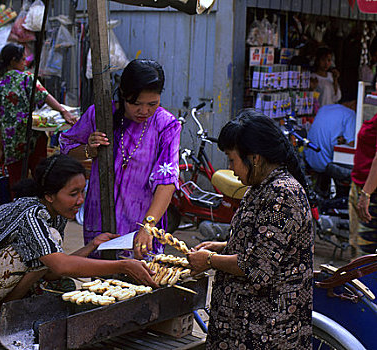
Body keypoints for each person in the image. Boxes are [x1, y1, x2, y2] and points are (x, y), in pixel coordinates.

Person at [0, 154, 158, 327]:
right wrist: (124, 265)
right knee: (45, 257)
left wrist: (93, 246)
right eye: (73, 194)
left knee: (55, 274)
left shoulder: (54, 212)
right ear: (49, 195)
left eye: (82, 192)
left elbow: (53, 270)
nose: (80, 200)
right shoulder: (31, 215)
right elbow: (60, 265)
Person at [187, 110, 313, 349]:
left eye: (232, 159)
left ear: (254, 158)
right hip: (244, 328)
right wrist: (224, 247)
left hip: (264, 331)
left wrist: (211, 260)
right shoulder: (260, 187)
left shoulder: (281, 195)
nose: (230, 167)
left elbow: (258, 267)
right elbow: (268, 245)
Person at [59, 59, 181, 260]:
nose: (144, 111)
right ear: (123, 95)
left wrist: (148, 226)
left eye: (152, 104)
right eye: (136, 104)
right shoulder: (101, 114)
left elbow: (166, 181)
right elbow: (67, 148)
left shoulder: (166, 125)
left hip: (142, 224)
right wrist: (89, 150)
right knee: (98, 285)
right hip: (100, 219)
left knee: (139, 286)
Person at [0, 43, 78, 188]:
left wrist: (2, 148)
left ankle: (19, 209)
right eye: (22, 59)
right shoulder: (26, 78)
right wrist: (64, 111)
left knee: (16, 184)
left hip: (11, 144)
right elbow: (45, 96)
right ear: (14, 60)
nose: (25, 62)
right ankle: (37, 210)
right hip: (32, 139)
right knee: (40, 181)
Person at [304, 95, 356, 195]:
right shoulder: (350, 114)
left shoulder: (325, 108)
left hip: (310, 158)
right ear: (354, 103)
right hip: (327, 164)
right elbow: (352, 142)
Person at [349, 112, 377, 256]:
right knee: (356, 248)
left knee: (364, 256)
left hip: (371, 194)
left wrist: (366, 194)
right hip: (361, 186)